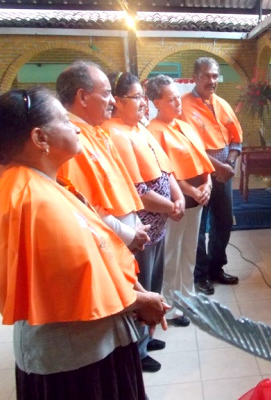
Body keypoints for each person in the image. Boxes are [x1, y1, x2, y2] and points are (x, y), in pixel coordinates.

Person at [0, 87, 168, 400]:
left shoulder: (39, 183)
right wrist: (140, 301)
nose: (75, 128)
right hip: (73, 357)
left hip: (89, 344)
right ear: (40, 138)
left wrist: (137, 293)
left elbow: (96, 251)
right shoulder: (30, 198)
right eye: (64, 121)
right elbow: (71, 279)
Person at [101, 71, 185, 372]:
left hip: (159, 225)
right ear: (117, 101)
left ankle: (147, 338)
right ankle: (137, 350)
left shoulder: (139, 128)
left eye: (142, 97)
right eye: (137, 97)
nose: (143, 103)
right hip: (141, 229)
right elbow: (137, 190)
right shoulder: (114, 133)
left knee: (153, 282)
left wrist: (178, 197)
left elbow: (165, 169)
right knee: (142, 288)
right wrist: (171, 206)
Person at [56, 61, 149, 253]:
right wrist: (129, 234)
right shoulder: (70, 141)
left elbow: (120, 186)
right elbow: (85, 204)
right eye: (106, 94)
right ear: (83, 97)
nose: (113, 101)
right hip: (108, 241)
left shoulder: (96, 131)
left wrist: (135, 224)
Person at [146, 75, 215, 324]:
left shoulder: (184, 125)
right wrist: (191, 191)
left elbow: (202, 158)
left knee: (189, 250)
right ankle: (170, 303)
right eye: (171, 99)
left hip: (198, 196)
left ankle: (188, 295)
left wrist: (207, 183)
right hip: (175, 200)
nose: (178, 103)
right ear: (156, 102)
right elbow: (167, 172)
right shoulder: (153, 132)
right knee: (171, 253)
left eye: (178, 98)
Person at [180, 57, 242, 295]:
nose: (212, 80)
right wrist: (217, 167)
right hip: (198, 176)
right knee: (198, 227)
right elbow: (189, 146)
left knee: (223, 222)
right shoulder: (183, 106)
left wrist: (230, 164)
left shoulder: (222, 104)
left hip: (223, 174)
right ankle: (200, 275)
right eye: (206, 75)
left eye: (215, 75)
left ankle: (217, 268)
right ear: (195, 77)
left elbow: (236, 139)